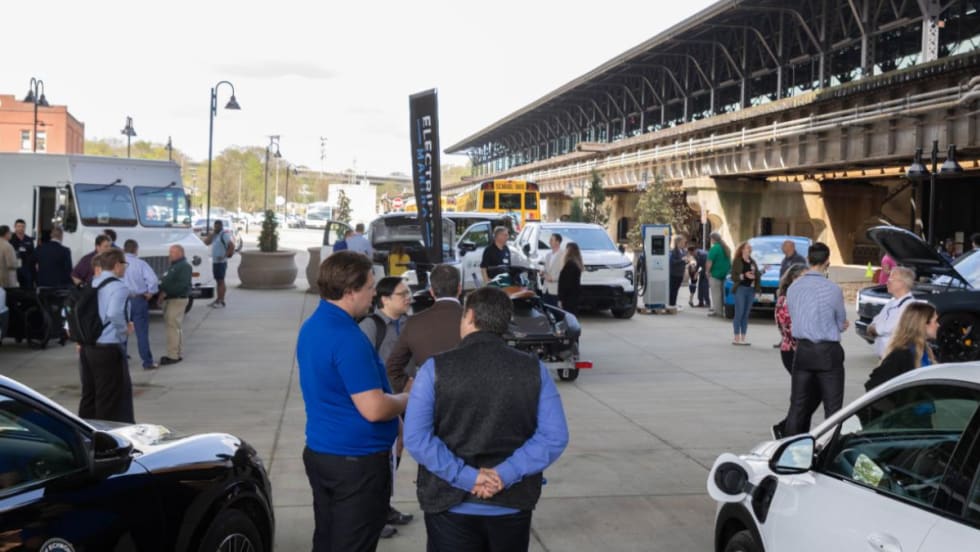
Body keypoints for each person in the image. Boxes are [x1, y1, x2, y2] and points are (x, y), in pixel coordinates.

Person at [404, 286, 569, 552]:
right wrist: (505, 474)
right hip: (511, 503)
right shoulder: (533, 368)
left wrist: (467, 477)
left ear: (469, 316)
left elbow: (417, 438)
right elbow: (554, 437)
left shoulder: (434, 369)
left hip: (449, 505)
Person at [298, 251, 408, 552]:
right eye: (370, 287)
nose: (374, 294)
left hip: (323, 452)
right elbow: (374, 408)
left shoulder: (313, 325)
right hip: (356, 464)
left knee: (328, 539)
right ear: (349, 291)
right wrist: (406, 399)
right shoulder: (348, 337)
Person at [358, 276, 414, 539]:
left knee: (395, 454)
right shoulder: (371, 326)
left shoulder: (409, 323)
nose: (408, 297)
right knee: (378, 460)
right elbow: (361, 365)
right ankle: (373, 516)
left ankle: (383, 506)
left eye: (408, 293)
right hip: (380, 402)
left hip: (405, 399)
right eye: (402, 294)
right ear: (384, 299)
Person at [783, 242, 849, 436]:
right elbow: (841, 321)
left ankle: (789, 446)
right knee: (833, 409)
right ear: (827, 261)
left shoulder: (793, 288)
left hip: (803, 350)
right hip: (827, 351)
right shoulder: (833, 289)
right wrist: (837, 325)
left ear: (807, 259)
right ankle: (829, 446)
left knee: (797, 405)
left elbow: (795, 316)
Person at [386, 264, 463, 394]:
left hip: (430, 397)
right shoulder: (474, 319)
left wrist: (408, 386)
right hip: (471, 397)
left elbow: (392, 366)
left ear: (431, 291)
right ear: (459, 288)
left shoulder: (414, 322)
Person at [79, 249, 135, 423]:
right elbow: (114, 313)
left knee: (90, 394)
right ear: (117, 265)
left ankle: (84, 429)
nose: (125, 268)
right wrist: (124, 330)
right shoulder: (119, 287)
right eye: (124, 264)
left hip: (88, 346)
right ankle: (107, 434)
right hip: (108, 346)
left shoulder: (92, 284)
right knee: (110, 397)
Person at [770, 264, 809, 439]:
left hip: (800, 350)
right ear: (793, 279)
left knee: (807, 394)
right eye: (803, 277)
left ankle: (794, 429)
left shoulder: (801, 299)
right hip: (792, 351)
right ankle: (788, 429)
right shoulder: (785, 300)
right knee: (803, 395)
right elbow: (791, 329)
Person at [865, 302, 939, 391]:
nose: (938, 325)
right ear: (923, 324)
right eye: (935, 321)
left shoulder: (927, 350)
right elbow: (873, 385)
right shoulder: (902, 354)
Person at [122, 240, 159, 370]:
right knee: (142, 333)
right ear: (136, 250)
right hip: (138, 299)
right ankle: (147, 362)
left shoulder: (118, 264)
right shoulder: (141, 264)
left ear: (123, 249)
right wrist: (150, 292)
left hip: (121, 300)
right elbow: (153, 280)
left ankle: (120, 361)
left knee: (122, 332)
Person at [867, 266, 917, 358]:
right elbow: (876, 320)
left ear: (902, 283)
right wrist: (874, 327)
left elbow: (889, 327)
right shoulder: (892, 302)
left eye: (891, 279)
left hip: (896, 357)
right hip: (885, 357)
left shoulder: (909, 305)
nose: (887, 282)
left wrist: (875, 328)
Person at [158, 245, 192, 365]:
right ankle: (176, 353)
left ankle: (173, 356)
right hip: (170, 299)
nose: (170, 254)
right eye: (170, 252)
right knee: (174, 327)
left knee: (173, 327)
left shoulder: (184, 266)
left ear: (180, 253)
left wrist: (166, 291)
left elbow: (182, 286)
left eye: (172, 252)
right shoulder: (174, 266)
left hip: (177, 299)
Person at [730, 241, 760, 345]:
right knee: (739, 313)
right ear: (742, 249)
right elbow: (733, 277)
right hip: (741, 289)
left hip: (751, 290)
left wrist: (761, 273)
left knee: (746, 314)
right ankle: (736, 338)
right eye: (748, 247)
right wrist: (744, 275)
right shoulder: (737, 261)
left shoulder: (752, 262)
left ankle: (743, 338)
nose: (750, 249)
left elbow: (757, 275)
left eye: (750, 248)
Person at [204, 220, 234, 308]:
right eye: (215, 226)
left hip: (221, 262)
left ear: (221, 226)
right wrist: (211, 234)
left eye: (218, 226)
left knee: (221, 281)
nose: (216, 228)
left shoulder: (224, 235)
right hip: (215, 261)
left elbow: (231, 246)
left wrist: (225, 256)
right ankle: (218, 299)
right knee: (218, 281)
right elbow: (206, 243)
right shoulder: (215, 235)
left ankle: (221, 300)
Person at [705, 232, 731, 317]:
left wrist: (707, 271)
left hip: (715, 274)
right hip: (725, 274)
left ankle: (718, 312)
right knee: (723, 294)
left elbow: (709, 261)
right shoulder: (726, 248)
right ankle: (724, 310)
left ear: (713, 239)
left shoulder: (714, 248)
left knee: (716, 294)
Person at [10, 219, 36, 289]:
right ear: (15, 227)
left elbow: (33, 254)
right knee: (13, 289)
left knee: (27, 288)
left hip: (26, 268)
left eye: (23, 226)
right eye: (19, 226)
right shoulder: (10, 238)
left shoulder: (29, 239)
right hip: (13, 268)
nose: (21, 228)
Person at [558, 242, 583, 315]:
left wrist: (561, 298)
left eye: (566, 249)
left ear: (569, 251)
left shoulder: (570, 265)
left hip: (568, 298)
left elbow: (565, 283)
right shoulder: (576, 263)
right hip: (573, 296)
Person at [541, 233, 564, 307]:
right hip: (546, 289)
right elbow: (546, 270)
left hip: (556, 290)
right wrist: (542, 273)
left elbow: (564, 273)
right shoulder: (548, 255)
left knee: (555, 311)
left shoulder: (563, 255)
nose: (549, 242)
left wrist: (553, 278)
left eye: (551, 240)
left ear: (557, 242)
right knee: (545, 311)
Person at [668, 235, 687, 308]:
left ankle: (674, 303)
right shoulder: (673, 252)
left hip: (680, 274)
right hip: (674, 273)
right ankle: (671, 304)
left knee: (676, 289)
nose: (684, 243)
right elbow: (672, 262)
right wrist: (682, 260)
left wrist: (687, 261)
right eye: (682, 242)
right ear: (678, 242)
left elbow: (684, 261)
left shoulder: (683, 251)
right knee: (673, 289)